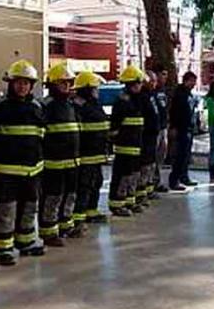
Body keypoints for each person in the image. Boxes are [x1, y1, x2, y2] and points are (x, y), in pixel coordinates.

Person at [0, 59, 46, 266]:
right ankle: (3, 249)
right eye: (18, 82)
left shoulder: (37, 107)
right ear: (10, 84)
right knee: (7, 211)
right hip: (6, 172)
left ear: (32, 85)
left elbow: (41, 136)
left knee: (29, 208)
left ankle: (26, 242)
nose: (22, 86)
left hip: (32, 171)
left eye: (26, 83)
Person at [41, 63, 83, 244]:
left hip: (71, 160)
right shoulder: (46, 106)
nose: (66, 86)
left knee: (70, 194)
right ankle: (49, 231)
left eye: (68, 82)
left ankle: (66, 225)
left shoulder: (70, 105)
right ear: (52, 84)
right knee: (53, 196)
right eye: (61, 83)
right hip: (54, 162)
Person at [73, 71, 111, 225]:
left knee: (96, 182)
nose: (97, 92)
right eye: (95, 88)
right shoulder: (79, 107)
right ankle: (79, 216)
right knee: (84, 185)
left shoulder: (93, 105)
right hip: (85, 155)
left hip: (96, 154)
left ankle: (91, 211)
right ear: (87, 89)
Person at [108, 65, 146, 216]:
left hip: (136, 144)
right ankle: (117, 204)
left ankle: (130, 201)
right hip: (125, 146)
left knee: (133, 175)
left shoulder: (136, 100)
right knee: (122, 176)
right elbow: (115, 126)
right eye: (138, 83)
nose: (141, 86)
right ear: (131, 83)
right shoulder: (123, 101)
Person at [168, 71, 199, 191]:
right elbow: (175, 112)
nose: (194, 84)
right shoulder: (179, 94)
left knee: (186, 155)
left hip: (189, 128)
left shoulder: (189, 94)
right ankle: (174, 180)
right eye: (192, 81)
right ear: (186, 81)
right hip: (181, 128)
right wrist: (174, 127)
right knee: (179, 156)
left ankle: (184, 176)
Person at [139, 70, 162, 204]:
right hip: (146, 136)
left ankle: (149, 189)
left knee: (151, 164)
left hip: (154, 134)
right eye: (151, 81)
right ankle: (142, 192)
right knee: (145, 165)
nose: (154, 84)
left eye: (155, 81)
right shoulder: (143, 97)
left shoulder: (152, 95)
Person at [152, 68, 170, 193]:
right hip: (155, 129)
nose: (165, 78)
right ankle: (151, 182)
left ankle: (157, 180)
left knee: (161, 155)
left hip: (163, 127)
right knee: (152, 156)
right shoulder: (151, 92)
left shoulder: (163, 91)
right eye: (162, 74)